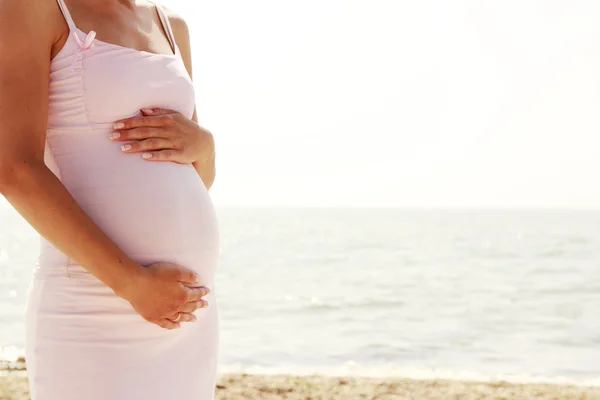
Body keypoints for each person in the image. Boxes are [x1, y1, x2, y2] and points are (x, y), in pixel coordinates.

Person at [0, 0, 219, 398]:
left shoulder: (171, 25)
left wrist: (204, 145)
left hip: (183, 311)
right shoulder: (33, 8)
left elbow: (196, 176)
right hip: (93, 304)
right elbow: (14, 169)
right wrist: (132, 284)